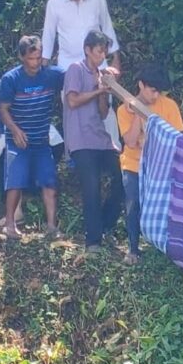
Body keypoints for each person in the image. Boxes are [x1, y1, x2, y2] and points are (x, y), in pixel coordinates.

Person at [41, 0, 121, 149]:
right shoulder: (55, 4)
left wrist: (116, 57)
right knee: (72, 110)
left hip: (98, 63)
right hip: (68, 67)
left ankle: (112, 147)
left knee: (104, 105)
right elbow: (49, 35)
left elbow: (107, 27)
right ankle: (75, 151)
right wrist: (43, 66)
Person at [116, 63, 183, 265]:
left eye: (158, 91)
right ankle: (133, 248)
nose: (156, 96)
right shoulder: (123, 110)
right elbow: (130, 141)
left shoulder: (169, 105)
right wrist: (138, 112)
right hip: (133, 164)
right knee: (133, 204)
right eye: (152, 90)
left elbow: (177, 136)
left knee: (163, 207)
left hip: (160, 165)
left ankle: (161, 249)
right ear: (141, 85)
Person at [0, 35, 65, 239]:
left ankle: (51, 226)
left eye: (38, 58)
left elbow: (75, 74)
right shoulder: (11, 79)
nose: (36, 63)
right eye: (31, 58)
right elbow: (3, 109)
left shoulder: (51, 75)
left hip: (41, 140)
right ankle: (10, 224)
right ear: (21, 57)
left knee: (49, 182)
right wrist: (15, 130)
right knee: (15, 183)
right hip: (18, 141)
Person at [63, 30, 123, 252]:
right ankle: (93, 240)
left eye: (104, 52)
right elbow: (73, 101)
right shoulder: (76, 69)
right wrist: (96, 90)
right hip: (80, 138)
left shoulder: (100, 74)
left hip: (100, 138)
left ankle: (106, 225)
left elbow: (104, 112)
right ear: (88, 50)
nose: (102, 56)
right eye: (99, 51)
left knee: (123, 176)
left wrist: (105, 89)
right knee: (92, 187)